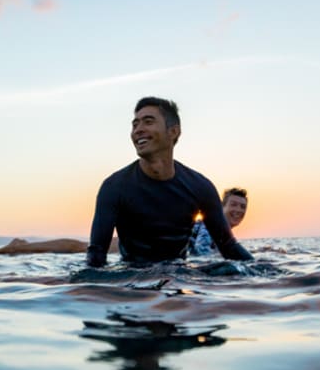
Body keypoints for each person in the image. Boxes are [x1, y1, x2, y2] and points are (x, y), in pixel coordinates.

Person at [86, 96, 254, 267]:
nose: (138, 130)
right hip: (132, 279)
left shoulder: (200, 187)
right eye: (135, 124)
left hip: (179, 278)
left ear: (173, 131)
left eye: (148, 122)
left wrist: (271, 274)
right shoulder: (114, 187)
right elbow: (96, 255)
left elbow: (228, 246)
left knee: (226, 271)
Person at [190, 187, 248, 256]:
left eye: (243, 207)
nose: (238, 210)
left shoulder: (222, 232)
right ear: (221, 207)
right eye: (233, 205)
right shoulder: (210, 225)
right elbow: (202, 252)